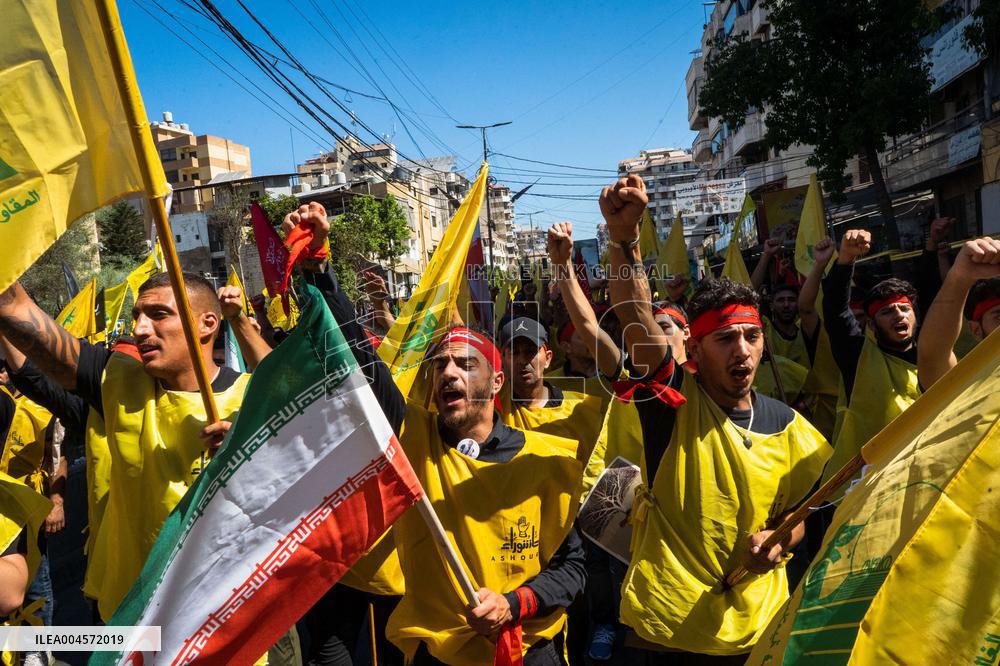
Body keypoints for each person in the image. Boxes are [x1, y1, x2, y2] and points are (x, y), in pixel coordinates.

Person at [288, 202, 586, 666]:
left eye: (466, 365)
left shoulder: (547, 460)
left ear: (496, 381)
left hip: (530, 652)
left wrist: (513, 604)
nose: (448, 373)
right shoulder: (414, 439)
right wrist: (318, 266)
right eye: (440, 365)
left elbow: (572, 570)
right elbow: (361, 361)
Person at [601, 174, 831, 662]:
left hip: (758, 633)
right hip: (665, 634)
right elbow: (635, 315)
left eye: (751, 336)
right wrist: (625, 241)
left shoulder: (790, 426)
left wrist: (779, 541)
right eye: (726, 339)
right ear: (695, 349)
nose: (742, 351)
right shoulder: (669, 402)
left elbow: (800, 518)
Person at [0, 273, 261, 621]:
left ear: (207, 323)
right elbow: (16, 309)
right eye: (138, 315)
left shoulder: (256, 398)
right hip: (131, 620)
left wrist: (255, 457)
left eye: (158, 314)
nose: (140, 328)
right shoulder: (117, 383)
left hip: (227, 621)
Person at [821, 228, 921, 486]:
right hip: (861, 485)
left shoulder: (935, 358)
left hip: (919, 477)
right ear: (873, 326)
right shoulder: (858, 357)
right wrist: (845, 259)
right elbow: (835, 310)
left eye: (904, 309)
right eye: (887, 312)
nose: (899, 315)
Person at [497, 316, 606, 466]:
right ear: (503, 360)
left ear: (548, 359)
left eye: (530, 351)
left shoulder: (579, 410)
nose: (522, 360)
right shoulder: (492, 408)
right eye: (514, 353)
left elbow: (591, 471)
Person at [917, 237, 1000, 388]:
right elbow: (932, 360)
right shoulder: (969, 381)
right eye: (998, 316)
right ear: (976, 330)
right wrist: (960, 277)